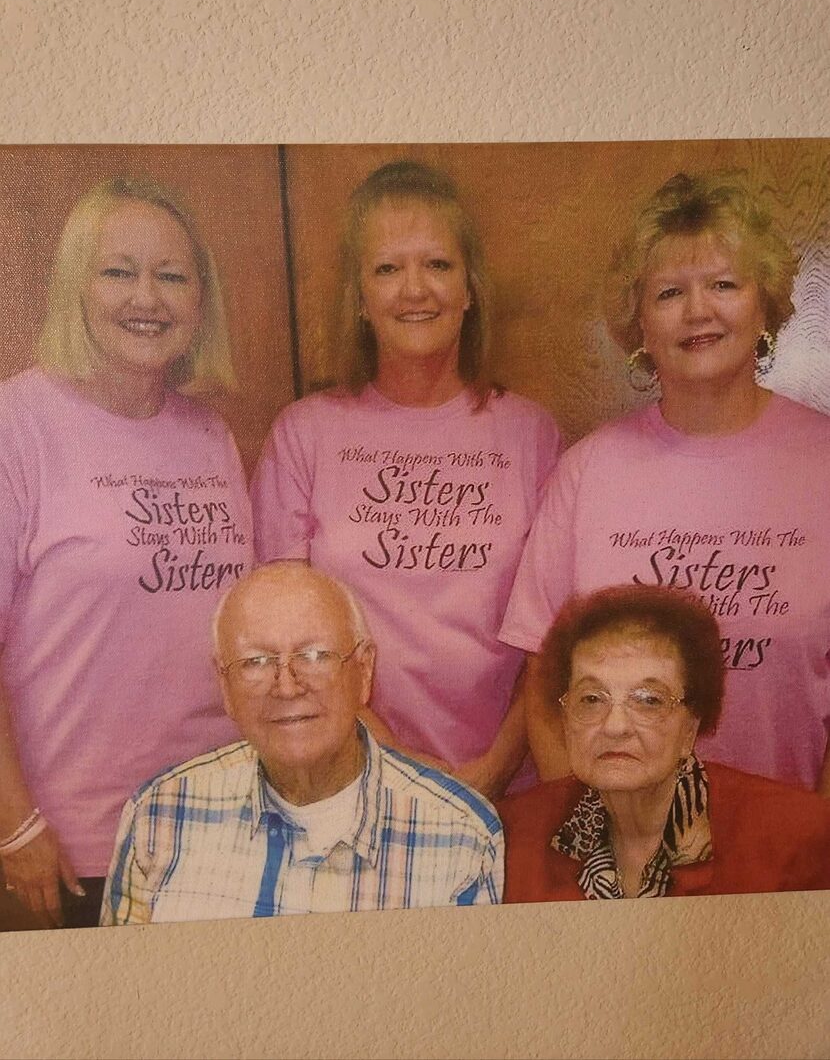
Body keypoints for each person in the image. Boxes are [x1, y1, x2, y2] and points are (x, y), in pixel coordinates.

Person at [500, 171, 830, 793]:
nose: (698, 311)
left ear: (765, 304)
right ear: (640, 327)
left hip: (793, 842)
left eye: (724, 284)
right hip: (621, 850)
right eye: (670, 292)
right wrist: (595, 829)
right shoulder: (586, 472)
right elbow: (544, 680)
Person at [251, 161, 561, 800]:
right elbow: (285, 636)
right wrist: (390, 758)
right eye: (387, 269)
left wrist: (492, 769)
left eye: (438, 266)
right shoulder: (303, 435)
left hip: (509, 787)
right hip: (351, 779)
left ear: (470, 289)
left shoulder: (532, 434)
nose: (414, 289)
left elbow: (553, 636)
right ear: (359, 298)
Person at [0, 177, 253, 929]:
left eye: (171, 275)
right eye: (118, 271)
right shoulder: (19, 422)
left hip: (215, 825)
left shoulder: (210, 434)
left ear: (200, 300)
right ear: (76, 287)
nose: (147, 297)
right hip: (66, 847)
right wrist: (13, 821)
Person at [101, 563, 504, 923]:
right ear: (224, 685)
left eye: (314, 655)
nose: (287, 686)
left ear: (364, 671)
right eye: (255, 662)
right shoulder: (160, 816)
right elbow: (125, 1002)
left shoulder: (461, 835)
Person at [499, 585, 830, 902]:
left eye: (649, 701)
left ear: (691, 726)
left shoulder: (798, 838)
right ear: (566, 719)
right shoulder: (512, 836)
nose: (615, 727)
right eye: (591, 699)